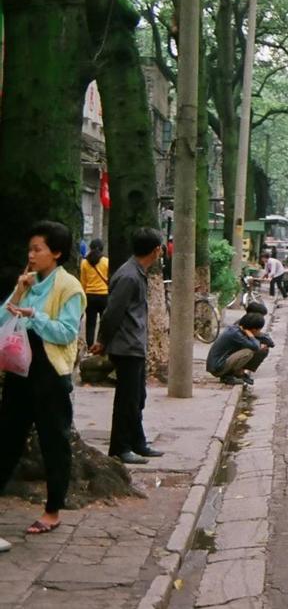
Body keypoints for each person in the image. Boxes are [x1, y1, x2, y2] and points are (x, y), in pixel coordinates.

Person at [0, 221, 86, 540]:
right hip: (19, 372)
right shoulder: (27, 283)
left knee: (54, 441)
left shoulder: (69, 287)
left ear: (57, 252)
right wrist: (19, 292)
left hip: (50, 374)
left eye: (38, 249)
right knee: (7, 438)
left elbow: (67, 333)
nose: (31, 255)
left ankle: (52, 510)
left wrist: (34, 316)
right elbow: (2, 319)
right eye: (30, 249)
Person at [90, 227, 165, 465]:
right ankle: (120, 447)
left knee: (137, 397)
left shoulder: (137, 272)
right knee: (127, 399)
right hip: (126, 346)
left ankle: (137, 442)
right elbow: (113, 312)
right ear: (156, 250)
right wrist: (102, 340)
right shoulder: (129, 276)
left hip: (134, 344)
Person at [206, 310, 274, 386]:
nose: (259, 331)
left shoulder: (242, 329)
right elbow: (256, 346)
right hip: (218, 367)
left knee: (263, 350)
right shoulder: (235, 333)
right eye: (258, 330)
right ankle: (227, 376)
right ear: (253, 329)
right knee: (248, 352)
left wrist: (257, 336)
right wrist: (252, 336)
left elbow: (270, 342)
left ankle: (239, 373)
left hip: (224, 362)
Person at [80, 238, 109, 346]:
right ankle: (102, 345)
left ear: (90, 248)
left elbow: (83, 281)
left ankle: (90, 347)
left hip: (90, 296)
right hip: (104, 295)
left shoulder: (84, 263)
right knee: (104, 322)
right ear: (101, 248)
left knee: (90, 323)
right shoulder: (106, 262)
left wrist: (83, 295)